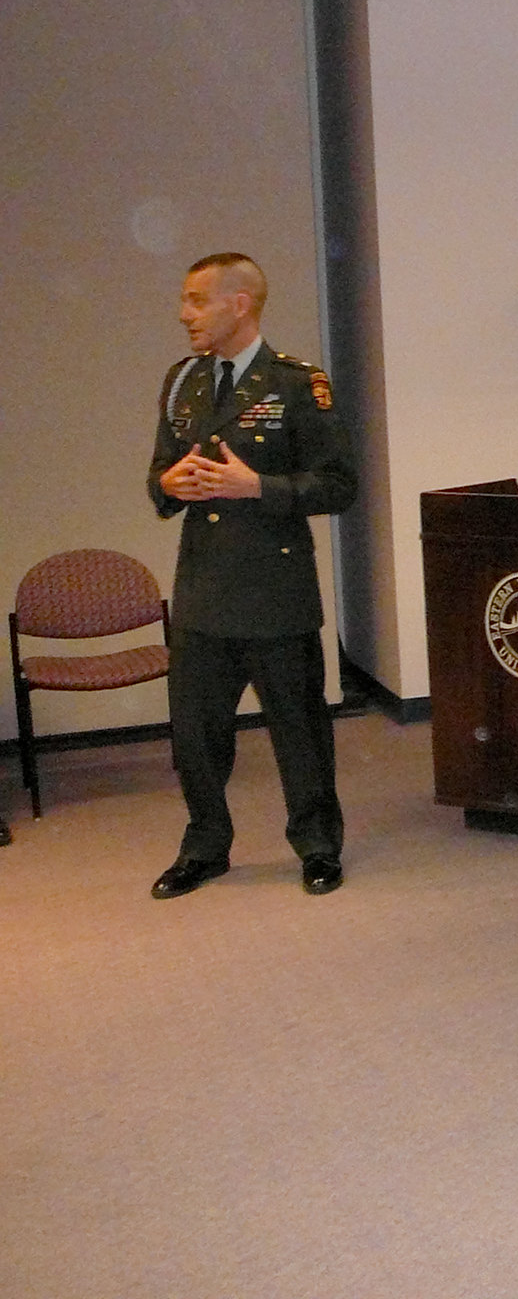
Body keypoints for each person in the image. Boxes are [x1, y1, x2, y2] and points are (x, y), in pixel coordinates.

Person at [146, 252, 357, 898]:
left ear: (239, 304)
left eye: (197, 301)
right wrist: (169, 483)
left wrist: (255, 486)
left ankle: (318, 846)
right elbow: (159, 479)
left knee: (298, 732)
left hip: (275, 590)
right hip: (204, 592)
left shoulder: (297, 383)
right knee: (196, 738)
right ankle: (205, 846)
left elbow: (338, 485)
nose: (185, 314)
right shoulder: (182, 382)